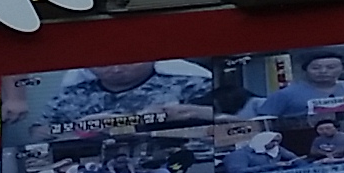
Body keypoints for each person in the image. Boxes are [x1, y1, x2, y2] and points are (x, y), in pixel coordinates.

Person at [30, 60, 216, 130]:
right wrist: (79, 129)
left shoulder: (189, 83)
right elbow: (38, 133)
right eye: (104, 63)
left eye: (128, 61)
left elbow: (228, 116)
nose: (116, 69)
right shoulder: (71, 94)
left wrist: (186, 113)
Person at [245, 47, 344, 119]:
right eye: (316, 68)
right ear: (305, 70)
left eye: (331, 67)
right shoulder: (285, 95)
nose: (323, 71)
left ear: (343, 69)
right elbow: (263, 122)